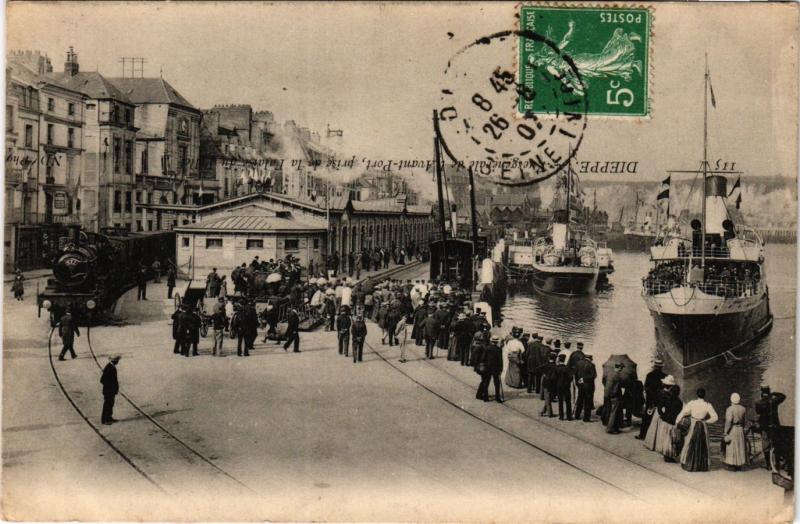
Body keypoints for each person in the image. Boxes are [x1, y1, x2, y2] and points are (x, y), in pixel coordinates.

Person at [676, 388, 719, 472]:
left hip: (693, 423)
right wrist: (706, 421)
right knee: (703, 444)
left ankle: (688, 463)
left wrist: (677, 421)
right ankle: (701, 465)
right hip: (702, 425)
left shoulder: (692, 403)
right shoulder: (708, 405)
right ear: (704, 395)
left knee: (688, 442)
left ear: (697, 394)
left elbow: (683, 412)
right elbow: (715, 417)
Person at [754, 385, 786, 469]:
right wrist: (774, 393)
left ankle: (768, 465)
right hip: (774, 425)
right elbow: (783, 396)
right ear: (768, 392)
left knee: (766, 445)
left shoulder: (758, 403)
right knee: (776, 444)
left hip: (765, 426)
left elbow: (758, 413)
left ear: (761, 392)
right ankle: (777, 464)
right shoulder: (774, 401)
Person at [639, 357, 667, 442]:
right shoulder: (665, 376)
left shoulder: (649, 375)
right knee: (658, 417)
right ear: (661, 367)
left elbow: (645, 388)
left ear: (655, 366)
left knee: (647, 417)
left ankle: (643, 435)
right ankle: (656, 438)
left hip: (650, 400)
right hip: (659, 400)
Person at [656, 381, 683, 462]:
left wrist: (662, 415)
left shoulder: (667, 399)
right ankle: (670, 455)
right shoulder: (679, 402)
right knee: (672, 439)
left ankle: (666, 453)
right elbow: (680, 413)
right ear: (678, 393)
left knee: (665, 438)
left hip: (666, 420)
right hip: (673, 421)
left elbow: (659, 408)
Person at [723, 392, 748, 471]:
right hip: (740, 429)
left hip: (733, 429)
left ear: (731, 400)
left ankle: (732, 464)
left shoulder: (730, 409)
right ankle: (739, 464)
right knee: (740, 445)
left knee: (732, 446)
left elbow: (728, 421)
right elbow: (744, 421)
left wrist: (725, 432)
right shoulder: (743, 409)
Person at [477, 336, 504, 403]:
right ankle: (497, 398)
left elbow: (483, 358)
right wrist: (501, 369)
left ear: (491, 341)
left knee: (486, 382)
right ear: (497, 342)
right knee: (497, 384)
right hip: (496, 368)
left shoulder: (487, 348)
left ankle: (485, 397)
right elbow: (500, 360)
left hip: (487, 368)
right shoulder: (499, 349)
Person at [574, 353, 597, 422]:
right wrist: (584, 379)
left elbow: (575, 374)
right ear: (590, 358)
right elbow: (593, 376)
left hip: (580, 385)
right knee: (588, 402)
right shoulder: (591, 365)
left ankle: (577, 415)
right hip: (589, 386)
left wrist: (577, 383)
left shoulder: (578, 363)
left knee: (580, 400)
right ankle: (586, 418)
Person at [604, 362, 625, 434]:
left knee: (614, 412)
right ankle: (610, 428)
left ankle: (615, 428)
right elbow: (619, 386)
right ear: (619, 367)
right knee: (614, 412)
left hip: (610, 395)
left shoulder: (610, 373)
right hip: (616, 396)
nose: (622, 369)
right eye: (621, 368)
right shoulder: (617, 376)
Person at [100, 355, 121, 425]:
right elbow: (102, 380)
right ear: (114, 361)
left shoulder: (111, 366)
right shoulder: (109, 368)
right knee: (107, 405)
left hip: (111, 391)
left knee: (110, 404)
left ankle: (109, 417)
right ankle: (105, 420)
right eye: (117, 360)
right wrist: (110, 387)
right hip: (108, 391)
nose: (118, 362)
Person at [554, 353, 573, 420]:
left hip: (559, 386)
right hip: (566, 386)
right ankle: (569, 416)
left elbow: (554, 378)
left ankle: (561, 416)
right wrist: (568, 382)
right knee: (568, 401)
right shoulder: (567, 368)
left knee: (560, 401)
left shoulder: (556, 368)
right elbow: (571, 377)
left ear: (559, 360)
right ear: (564, 360)